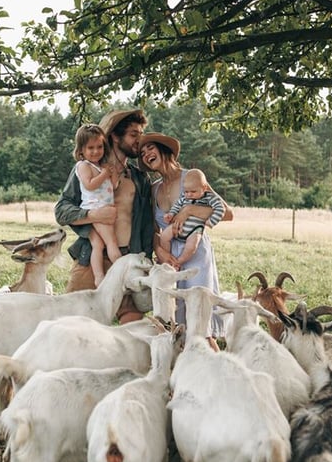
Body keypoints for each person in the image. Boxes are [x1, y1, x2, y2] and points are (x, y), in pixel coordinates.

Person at [54, 109, 154, 323]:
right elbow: (62, 210)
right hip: (92, 258)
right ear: (115, 137)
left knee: (134, 326)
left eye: (141, 134)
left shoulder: (140, 178)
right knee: (72, 324)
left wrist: (146, 259)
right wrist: (93, 215)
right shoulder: (86, 169)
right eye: (133, 134)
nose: (139, 140)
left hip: (126, 259)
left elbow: (147, 225)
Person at [138, 132, 233, 349]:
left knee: (200, 325)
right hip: (169, 259)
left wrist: (189, 210)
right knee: (175, 326)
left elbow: (227, 213)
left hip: (195, 253)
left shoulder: (191, 178)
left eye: (150, 148)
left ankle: (218, 366)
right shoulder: (154, 189)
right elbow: (153, 229)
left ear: (163, 149)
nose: (146, 155)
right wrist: (160, 251)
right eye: (142, 153)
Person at [72, 124, 121, 286]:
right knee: (111, 242)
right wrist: (105, 174)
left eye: (99, 147)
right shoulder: (83, 166)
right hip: (96, 208)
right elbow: (89, 185)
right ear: (81, 150)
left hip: (103, 207)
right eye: (90, 148)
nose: (96, 151)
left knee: (98, 245)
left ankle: (99, 277)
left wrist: (113, 174)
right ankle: (122, 272)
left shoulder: (100, 167)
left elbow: (113, 186)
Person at [159, 168, 226, 270]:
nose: (189, 194)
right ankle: (168, 259)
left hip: (195, 230)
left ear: (204, 188)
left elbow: (221, 208)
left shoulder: (210, 198)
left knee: (191, 247)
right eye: (186, 191)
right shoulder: (184, 197)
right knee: (164, 236)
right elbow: (177, 206)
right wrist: (171, 214)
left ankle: (178, 262)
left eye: (193, 191)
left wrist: (211, 222)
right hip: (178, 226)